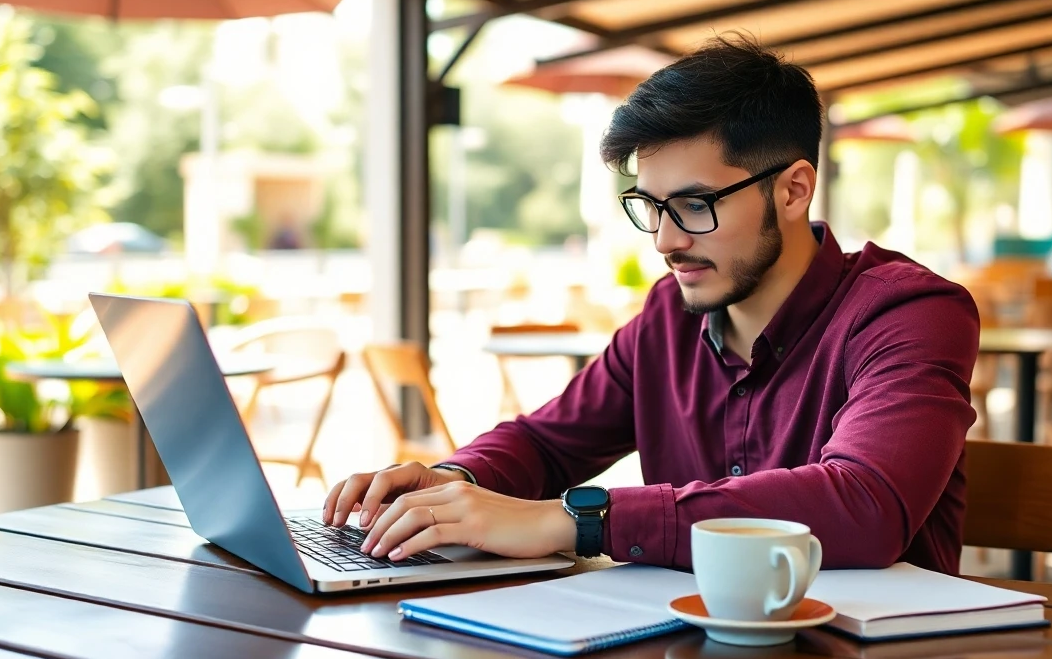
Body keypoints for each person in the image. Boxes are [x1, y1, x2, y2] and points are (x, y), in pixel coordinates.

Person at [323, 33, 979, 574]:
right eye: (651, 207)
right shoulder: (669, 317)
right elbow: (547, 444)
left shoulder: (908, 314)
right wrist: (448, 485)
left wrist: (580, 520)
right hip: (681, 655)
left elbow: (865, 505)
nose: (666, 240)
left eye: (696, 205)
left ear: (794, 190)